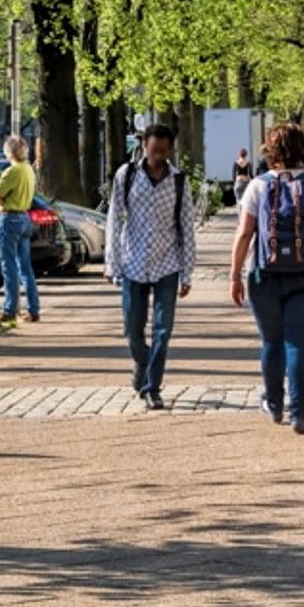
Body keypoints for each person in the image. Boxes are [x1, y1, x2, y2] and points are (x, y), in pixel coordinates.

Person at [231, 123, 304, 434]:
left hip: (263, 275)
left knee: (271, 341)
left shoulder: (257, 186)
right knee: (299, 344)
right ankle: (299, 413)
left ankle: (275, 405)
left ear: (270, 151)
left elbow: (244, 235)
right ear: (301, 149)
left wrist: (235, 276)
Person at [105, 123, 198, 410]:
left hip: (166, 264)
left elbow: (186, 226)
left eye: (163, 150)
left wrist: (187, 271)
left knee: (162, 329)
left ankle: (152, 386)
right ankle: (142, 362)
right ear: (144, 145)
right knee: (132, 328)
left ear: (170, 149)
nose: (158, 155)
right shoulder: (127, 175)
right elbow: (114, 219)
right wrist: (112, 262)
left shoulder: (179, 181)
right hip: (133, 263)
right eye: (153, 149)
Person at [0, 136, 39, 323]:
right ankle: (33, 309)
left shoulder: (12, 171)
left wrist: (2, 202)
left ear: (9, 152)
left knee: (9, 266)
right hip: (25, 217)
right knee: (25, 267)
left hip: (9, 218)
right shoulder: (29, 170)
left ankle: (10, 309)